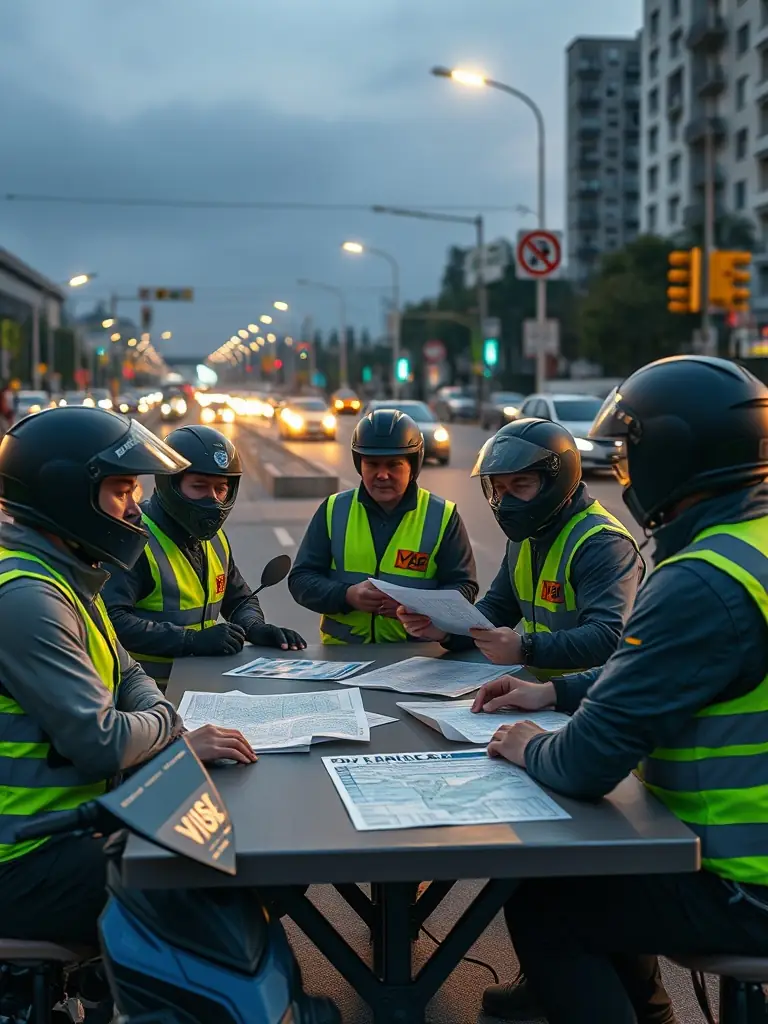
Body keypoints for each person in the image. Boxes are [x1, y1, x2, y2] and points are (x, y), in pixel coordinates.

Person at [473, 355, 768, 1024]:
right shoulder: (753, 549)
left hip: (747, 885)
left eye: (630, 456)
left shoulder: (703, 578)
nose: (625, 473)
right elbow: (675, 670)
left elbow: (583, 765)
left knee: (547, 899)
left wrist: (527, 745)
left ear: (672, 456)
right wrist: (552, 696)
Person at [0, 406, 257, 947]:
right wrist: (171, 724)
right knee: (209, 875)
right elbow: (102, 743)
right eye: (121, 490)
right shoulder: (28, 598)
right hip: (24, 855)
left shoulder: (67, 575)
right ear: (68, 494)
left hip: (70, 822)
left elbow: (127, 668)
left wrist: (153, 717)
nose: (135, 506)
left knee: (227, 840)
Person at [398, 418, 644, 678]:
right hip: (541, 693)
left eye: (521, 485)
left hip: (595, 699)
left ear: (556, 482)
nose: (506, 501)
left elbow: (607, 637)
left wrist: (525, 648)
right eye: (500, 488)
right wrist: (446, 628)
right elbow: (498, 609)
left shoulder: (601, 543)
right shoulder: (529, 534)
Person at [103, 424, 306, 685]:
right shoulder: (134, 538)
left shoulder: (215, 540)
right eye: (199, 486)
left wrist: (254, 627)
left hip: (201, 682)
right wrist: (190, 640)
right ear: (169, 483)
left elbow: (239, 598)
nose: (213, 500)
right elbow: (113, 620)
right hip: (146, 691)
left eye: (220, 489)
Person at [288, 408, 477, 643]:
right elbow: (301, 579)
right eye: (372, 464)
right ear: (360, 465)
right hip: (342, 657)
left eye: (394, 465)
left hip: (417, 659)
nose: (382, 475)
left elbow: (464, 589)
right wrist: (347, 596)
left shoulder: (443, 516)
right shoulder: (333, 510)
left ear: (413, 466)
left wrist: (416, 607)